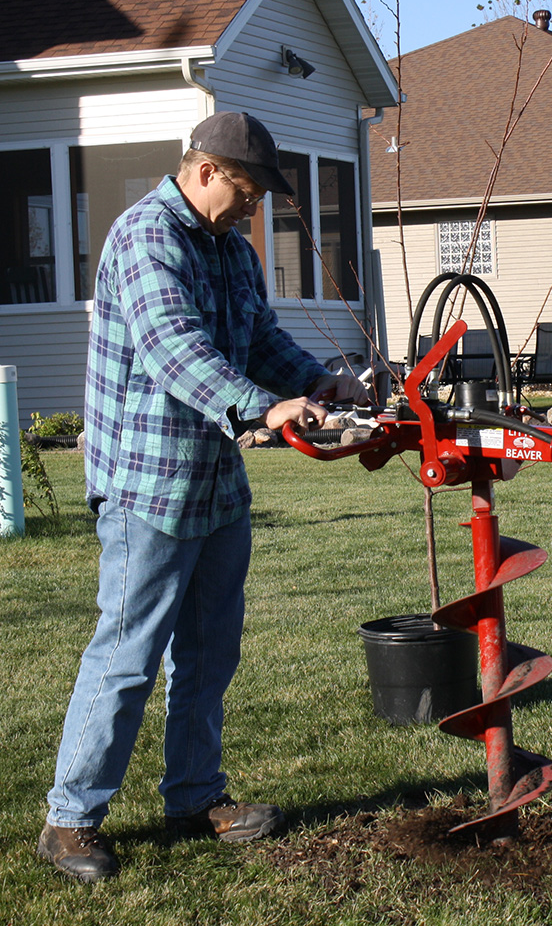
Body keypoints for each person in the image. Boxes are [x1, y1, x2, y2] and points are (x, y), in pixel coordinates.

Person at [38, 112, 369, 882]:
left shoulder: (229, 250)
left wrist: (315, 379)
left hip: (216, 484)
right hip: (147, 488)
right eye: (246, 194)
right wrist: (263, 407)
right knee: (127, 655)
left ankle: (193, 796)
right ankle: (70, 819)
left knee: (210, 653)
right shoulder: (145, 238)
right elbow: (173, 352)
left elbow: (258, 340)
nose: (251, 211)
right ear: (206, 171)